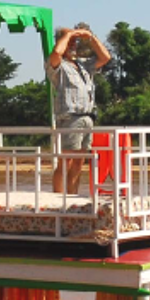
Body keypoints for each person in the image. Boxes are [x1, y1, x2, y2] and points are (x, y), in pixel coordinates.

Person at [48, 23, 112, 195]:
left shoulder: (83, 65)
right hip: (70, 117)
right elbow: (56, 53)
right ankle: (57, 199)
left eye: (75, 43)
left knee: (79, 162)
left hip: (87, 117)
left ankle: (72, 197)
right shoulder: (58, 65)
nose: (73, 46)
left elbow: (105, 57)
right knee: (65, 161)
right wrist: (69, 35)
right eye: (70, 43)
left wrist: (90, 37)